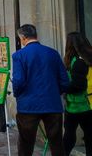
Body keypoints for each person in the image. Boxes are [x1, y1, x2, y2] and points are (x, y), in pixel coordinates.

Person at [12, 24, 69, 156]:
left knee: (26, 144)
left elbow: (18, 81)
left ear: (23, 37)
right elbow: (65, 81)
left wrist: (18, 94)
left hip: (28, 105)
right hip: (52, 104)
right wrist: (55, 93)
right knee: (56, 143)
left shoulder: (19, 55)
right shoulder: (53, 53)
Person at [62, 32, 92, 155]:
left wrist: (62, 87)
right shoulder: (86, 58)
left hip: (78, 104)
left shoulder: (77, 61)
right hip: (87, 103)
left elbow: (78, 85)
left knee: (69, 136)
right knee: (90, 136)